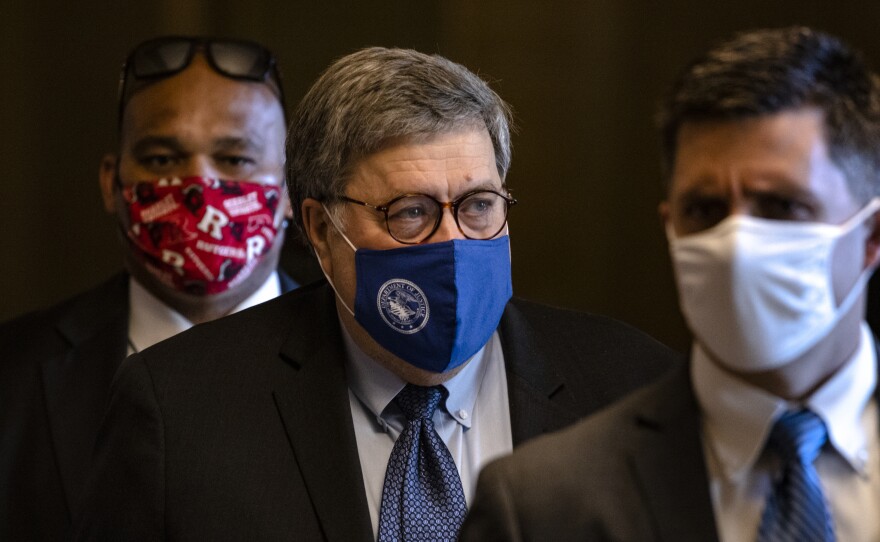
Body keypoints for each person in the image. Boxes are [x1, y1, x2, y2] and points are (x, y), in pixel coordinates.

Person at [71, 46, 677, 541]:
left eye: (479, 206)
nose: (455, 241)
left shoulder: (634, 387)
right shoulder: (180, 409)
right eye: (409, 213)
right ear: (317, 228)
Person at [460, 26, 880, 542]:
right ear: (670, 228)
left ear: (871, 236)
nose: (735, 243)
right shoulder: (541, 506)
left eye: (781, 207)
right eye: (704, 210)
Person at [0, 36, 299, 541]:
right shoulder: (11, 375)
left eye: (235, 159)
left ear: (292, 188)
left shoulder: (366, 367)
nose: (197, 186)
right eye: (162, 159)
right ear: (110, 183)